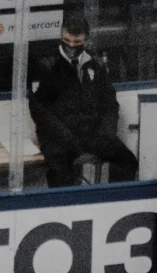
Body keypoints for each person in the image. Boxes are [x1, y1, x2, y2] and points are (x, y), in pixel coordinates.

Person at [28, 9, 137, 188]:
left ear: (85, 40)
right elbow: (39, 110)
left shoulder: (96, 64)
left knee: (127, 161)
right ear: (61, 36)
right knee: (60, 172)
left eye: (77, 42)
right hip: (60, 136)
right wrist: (65, 137)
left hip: (92, 132)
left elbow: (110, 103)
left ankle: (111, 204)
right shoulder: (47, 66)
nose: (71, 46)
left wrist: (106, 132)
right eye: (67, 41)